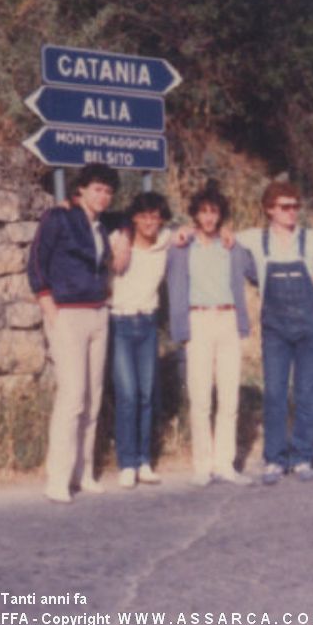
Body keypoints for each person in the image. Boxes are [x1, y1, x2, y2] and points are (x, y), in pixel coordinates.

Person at [27, 164, 120, 503]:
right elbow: (37, 260)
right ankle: (58, 477)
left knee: (93, 396)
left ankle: (84, 472)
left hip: (98, 313)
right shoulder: (59, 217)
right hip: (67, 314)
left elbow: (132, 219)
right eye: (97, 189)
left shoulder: (103, 224)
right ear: (80, 189)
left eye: (108, 191)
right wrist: (47, 304)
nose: (103, 196)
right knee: (72, 395)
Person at [236, 181, 313, 484]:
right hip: (275, 329)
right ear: (269, 210)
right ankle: (275, 459)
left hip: (310, 326)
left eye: (295, 206)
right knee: (276, 392)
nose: (292, 212)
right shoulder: (254, 239)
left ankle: (303, 457)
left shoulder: (311, 239)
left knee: (307, 392)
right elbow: (221, 239)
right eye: (284, 207)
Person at [166, 182, 257, 487]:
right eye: (203, 212)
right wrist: (178, 232)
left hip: (228, 319)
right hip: (198, 321)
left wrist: (239, 241)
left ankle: (225, 464)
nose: (208, 218)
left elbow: (256, 272)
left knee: (229, 396)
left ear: (221, 216)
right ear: (195, 215)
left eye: (214, 212)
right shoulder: (181, 247)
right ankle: (202, 465)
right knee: (200, 396)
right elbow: (151, 241)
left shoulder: (231, 247)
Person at [109, 192, 173, 490]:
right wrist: (123, 233)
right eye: (144, 215)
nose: (150, 221)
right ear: (134, 217)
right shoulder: (117, 240)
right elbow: (105, 219)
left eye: (155, 216)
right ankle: (127, 462)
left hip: (147, 323)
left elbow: (194, 231)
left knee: (147, 395)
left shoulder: (165, 243)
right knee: (128, 395)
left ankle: (144, 461)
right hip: (120, 322)